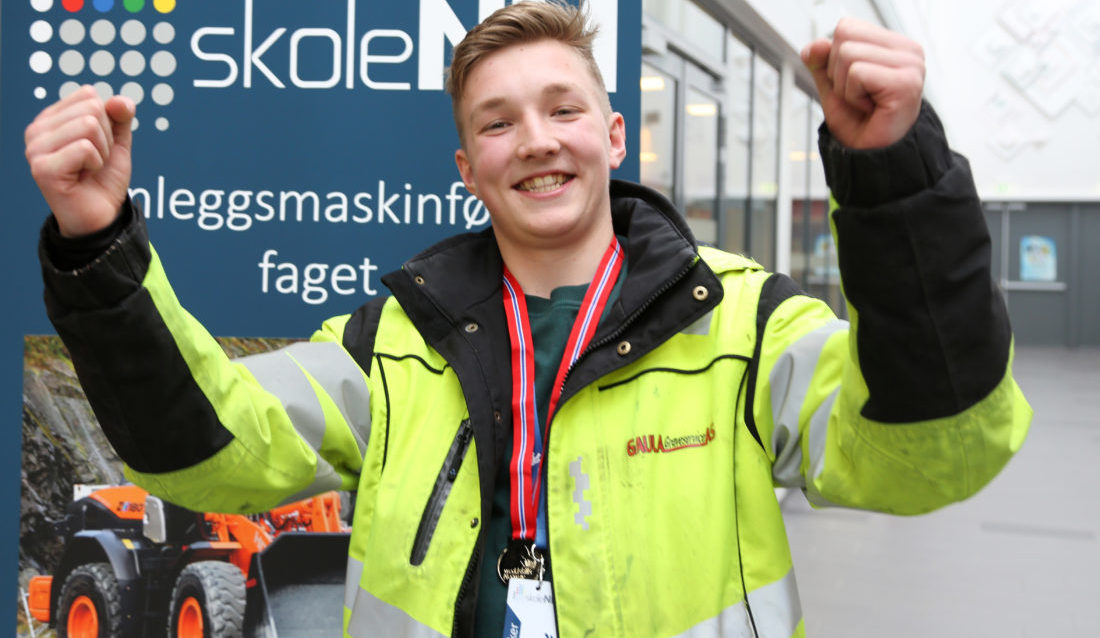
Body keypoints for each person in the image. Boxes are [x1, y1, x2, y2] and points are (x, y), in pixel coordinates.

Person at [26, 3, 1031, 637]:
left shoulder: (742, 321)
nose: (534, 141)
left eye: (561, 108)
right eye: (496, 122)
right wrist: (97, 238)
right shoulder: (393, 341)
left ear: (612, 131)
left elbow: (926, 454)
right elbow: (208, 444)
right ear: (466, 168)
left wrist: (896, 180)